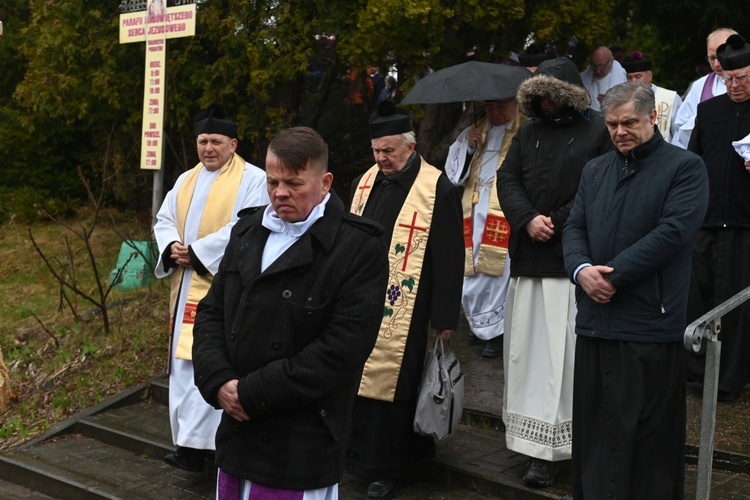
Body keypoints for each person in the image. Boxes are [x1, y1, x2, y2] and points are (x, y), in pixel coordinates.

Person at [192, 127, 389, 499]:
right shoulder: (247, 230)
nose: (280, 193)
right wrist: (218, 381)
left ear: (325, 182)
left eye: (294, 183)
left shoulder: (357, 248)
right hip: (236, 436)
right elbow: (211, 313)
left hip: (299, 441)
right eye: (272, 181)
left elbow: (341, 350)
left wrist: (251, 393)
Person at [563, 82, 708, 499]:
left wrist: (613, 275)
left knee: (648, 446)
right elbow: (575, 227)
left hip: (647, 324)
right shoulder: (594, 170)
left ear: (652, 117)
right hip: (594, 322)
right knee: (594, 438)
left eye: (628, 122)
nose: (619, 131)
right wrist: (581, 270)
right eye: (611, 124)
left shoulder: (685, 167)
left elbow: (674, 233)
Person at [496, 57, 612, 488]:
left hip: (571, 263)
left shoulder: (598, 131)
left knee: (566, 360)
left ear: (569, 94)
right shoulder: (528, 134)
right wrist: (527, 218)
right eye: (539, 96)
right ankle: (534, 450)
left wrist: (556, 222)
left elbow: (596, 188)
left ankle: (570, 445)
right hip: (529, 261)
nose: (546, 103)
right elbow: (506, 180)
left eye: (553, 95)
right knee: (528, 358)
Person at [346, 101, 464, 499]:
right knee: (359, 376)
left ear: (411, 148)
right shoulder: (364, 183)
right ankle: (358, 455)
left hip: (409, 304)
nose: (381, 159)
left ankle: (387, 466)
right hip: (361, 297)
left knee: (395, 383)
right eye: (376, 151)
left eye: (389, 151)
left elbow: (450, 256)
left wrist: (445, 315)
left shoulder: (439, 189)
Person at [153, 104, 269, 472]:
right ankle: (187, 445)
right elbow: (164, 218)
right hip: (186, 284)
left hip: (223, 287)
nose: (208, 149)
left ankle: (214, 448)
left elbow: (248, 225)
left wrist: (199, 253)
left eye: (216, 141)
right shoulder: (186, 179)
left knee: (212, 359)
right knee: (183, 365)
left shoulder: (253, 179)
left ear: (233, 143)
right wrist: (172, 247)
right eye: (203, 141)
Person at [687, 33, 750, 402]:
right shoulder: (709, 111)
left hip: (745, 223)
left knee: (737, 305)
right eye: (728, 79)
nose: (735, 86)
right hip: (708, 219)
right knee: (701, 297)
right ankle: (696, 374)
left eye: (742, 78)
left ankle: (731, 379)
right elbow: (693, 161)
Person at [445, 97, 526, 358]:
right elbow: (455, 174)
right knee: (470, 268)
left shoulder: (526, 130)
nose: (494, 113)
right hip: (473, 206)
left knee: (500, 270)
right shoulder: (476, 129)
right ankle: (479, 322)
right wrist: (469, 148)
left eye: (501, 107)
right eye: (490, 107)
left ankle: (499, 332)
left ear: (515, 104)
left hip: (504, 209)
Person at [671, 28, 737, 149]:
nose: (716, 64)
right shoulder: (700, 86)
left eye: (721, 57)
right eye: (711, 58)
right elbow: (680, 129)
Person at [622, 50, 683, 143]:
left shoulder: (670, 98)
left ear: (649, 76)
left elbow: (680, 134)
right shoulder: (622, 100)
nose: (633, 81)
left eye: (638, 76)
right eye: (629, 77)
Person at [580, 46, 628, 111]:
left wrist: (612, 100)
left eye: (601, 66)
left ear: (611, 61)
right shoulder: (587, 75)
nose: (597, 71)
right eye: (594, 66)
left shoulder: (621, 76)